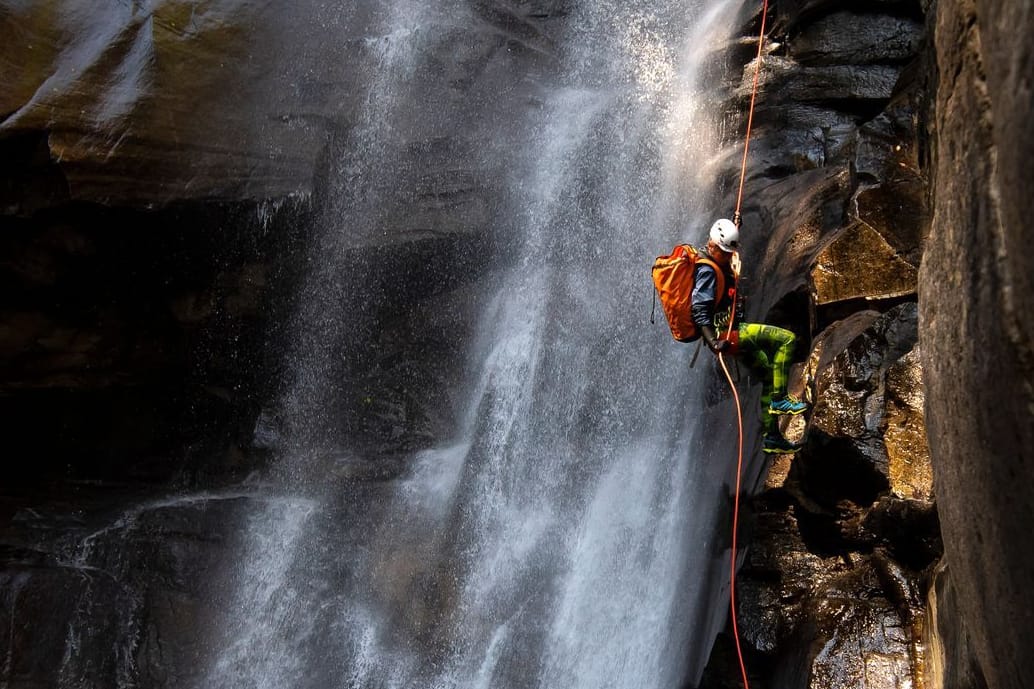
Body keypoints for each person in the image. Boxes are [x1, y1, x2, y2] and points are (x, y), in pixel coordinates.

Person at [692, 218, 808, 454]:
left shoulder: (716, 258)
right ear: (713, 245)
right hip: (729, 335)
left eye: (729, 252)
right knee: (786, 339)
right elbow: (699, 310)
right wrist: (714, 341)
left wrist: (735, 226)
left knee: (766, 372)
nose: (728, 256)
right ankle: (779, 399)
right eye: (724, 252)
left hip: (732, 332)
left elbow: (727, 254)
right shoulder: (706, 270)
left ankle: (772, 436)